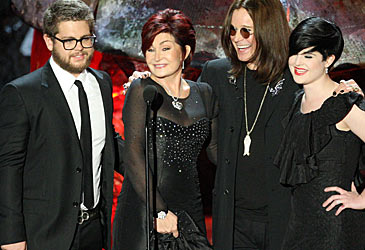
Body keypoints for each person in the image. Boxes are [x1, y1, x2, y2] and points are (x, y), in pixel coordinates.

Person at [124, 1, 361, 249]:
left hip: (286, 217)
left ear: (267, 29)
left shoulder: (295, 75)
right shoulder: (216, 74)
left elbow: (328, 104)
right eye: (233, 31)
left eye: (246, 31)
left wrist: (346, 89)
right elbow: (183, 109)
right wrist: (147, 80)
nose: (238, 38)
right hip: (232, 219)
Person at [0, 0, 123, 249]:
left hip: (95, 230)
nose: (79, 48)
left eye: (85, 39)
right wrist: (12, 236)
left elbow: (108, 142)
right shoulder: (22, 93)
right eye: (68, 41)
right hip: (45, 234)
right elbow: (9, 168)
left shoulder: (102, 83)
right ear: (49, 42)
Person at [112, 8, 216, 250]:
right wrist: (160, 211)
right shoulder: (141, 90)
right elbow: (134, 156)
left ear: (186, 52)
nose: (156, 56)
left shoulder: (204, 93)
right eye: (150, 49)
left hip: (190, 207)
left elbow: (217, 151)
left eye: (165, 48)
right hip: (145, 208)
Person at [274, 17, 365, 249]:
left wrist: (363, 199)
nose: (296, 62)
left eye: (308, 55)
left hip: (335, 228)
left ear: (329, 59)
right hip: (299, 224)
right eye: (294, 53)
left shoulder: (345, 102)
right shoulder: (298, 101)